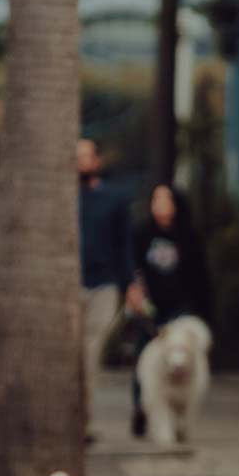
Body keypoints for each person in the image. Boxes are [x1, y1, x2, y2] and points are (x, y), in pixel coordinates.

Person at [126, 184, 215, 437]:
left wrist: (202, 310)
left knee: (182, 357)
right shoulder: (142, 234)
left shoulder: (188, 236)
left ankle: (181, 413)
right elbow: (133, 267)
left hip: (179, 308)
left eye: (165, 200)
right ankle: (142, 406)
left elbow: (200, 276)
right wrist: (134, 293)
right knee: (145, 358)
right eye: (156, 199)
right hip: (150, 308)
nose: (160, 205)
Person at [77, 138, 133, 440]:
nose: (81, 162)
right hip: (68, 286)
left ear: (96, 161)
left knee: (90, 351)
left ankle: (83, 423)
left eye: (86, 156)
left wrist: (131, 285)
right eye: (76, 157)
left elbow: (124, 246)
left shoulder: (114, 200)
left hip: (104, 286)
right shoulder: (61, 199)